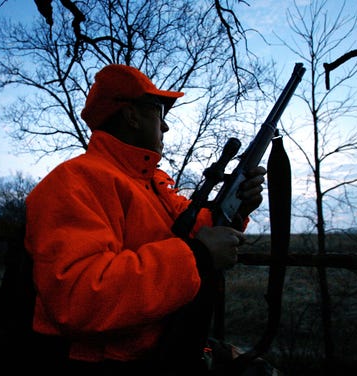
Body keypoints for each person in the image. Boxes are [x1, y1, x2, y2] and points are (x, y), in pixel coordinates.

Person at [24, 64, 267, 375]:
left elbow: (193, 229)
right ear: (132, 115)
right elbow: (79, 298)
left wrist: (238, 207)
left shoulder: (151, 183)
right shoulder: (73, 181)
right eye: (158, 111)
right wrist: (199, 256)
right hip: (109, 362)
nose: (164, 127)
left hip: (171, 347)